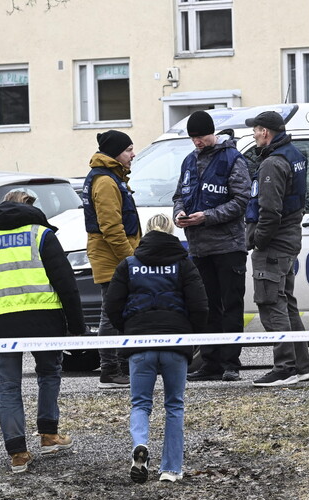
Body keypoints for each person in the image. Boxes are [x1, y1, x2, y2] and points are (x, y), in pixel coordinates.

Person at [0, 190, 86, 473]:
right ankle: (49, 435)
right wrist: (78, 328)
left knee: (8, 387)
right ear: (31, 209)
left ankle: (17, 454)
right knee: (49, 373)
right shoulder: (41, 235)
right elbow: (66, 283)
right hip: (43, 320)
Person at [103, 213, 208, 484]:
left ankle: (141, 445)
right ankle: (170, 469)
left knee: (140, 403)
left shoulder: (129, 264)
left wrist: (128, 328)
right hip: (175, 342)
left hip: (140, 343)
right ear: (171, 232)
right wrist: (190, 334)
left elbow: (112, 305)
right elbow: (199, 305)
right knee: (174, 405)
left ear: (146, 233)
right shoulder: (184, 263)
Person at [172, 110, 251, 382]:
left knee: (230, 306)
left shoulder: (233, 159)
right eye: (193, 138)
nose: (197, 142)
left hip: (229, 247)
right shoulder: (188, 161)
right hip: (199, 248)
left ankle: (231, 364)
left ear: (212, 133)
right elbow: (179, 196)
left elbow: (242, 201)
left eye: (201, 137)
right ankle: (210, 362)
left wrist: (207, 217)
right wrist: (180, 214)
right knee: (206, 308)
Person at [244, 111, 309, 387]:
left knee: (272, 303)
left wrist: (258, 239)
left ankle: (284, 367)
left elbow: (269, 210)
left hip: (273, 244)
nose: (253, 134)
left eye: (256, 130)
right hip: (288, 239)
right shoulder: (293, 155)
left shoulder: (272, 163)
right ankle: (300, 366)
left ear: (266, 132)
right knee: (286, 303)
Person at [83, 130, 141, 388]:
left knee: (120, 313)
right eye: (129, 149)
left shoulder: (111, 177)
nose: (133, 154)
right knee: (111, 314)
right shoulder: (106, 181)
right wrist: (130, 259)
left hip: (114, 257)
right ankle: (109, 369)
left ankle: (121, 367)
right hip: (113, 259)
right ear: (116, 152)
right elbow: (111, 228)